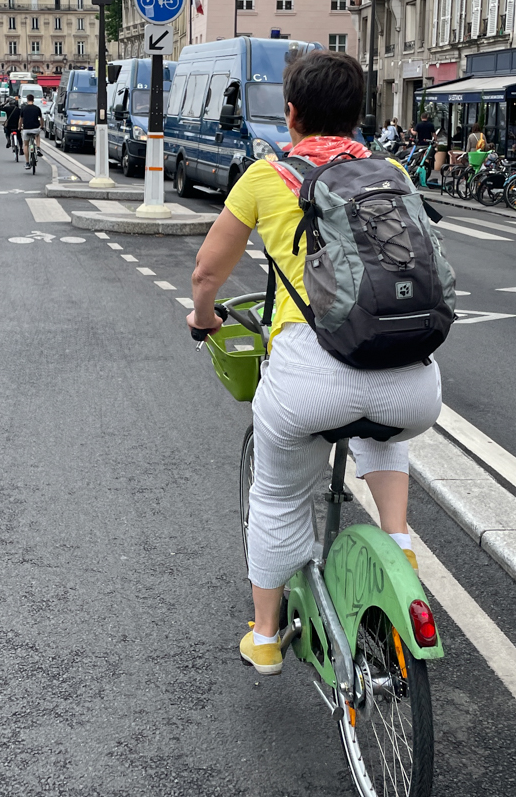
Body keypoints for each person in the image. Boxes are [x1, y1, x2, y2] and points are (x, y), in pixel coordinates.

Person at [185, 51, 443, 675]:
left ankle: (267, 636)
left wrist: (203, 318)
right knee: (384, 433)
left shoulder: (264, 177)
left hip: (309, 374)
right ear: (359, 118)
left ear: (291, 114)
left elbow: (206, 273)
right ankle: (400, 542)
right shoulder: (393, 174)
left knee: (276, 497)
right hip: (411, 378)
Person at [17, 94, 43, 161]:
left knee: (26, 145)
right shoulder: (37, 108)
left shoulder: (23, 109)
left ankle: (27, 162)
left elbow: (20, 120)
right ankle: (38, 147)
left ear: (27, 100)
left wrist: (19, 127)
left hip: (26, 129)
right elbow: (41, 118)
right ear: (33, 100)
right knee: (37, 135)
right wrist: (42, 126)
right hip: (35, 129)